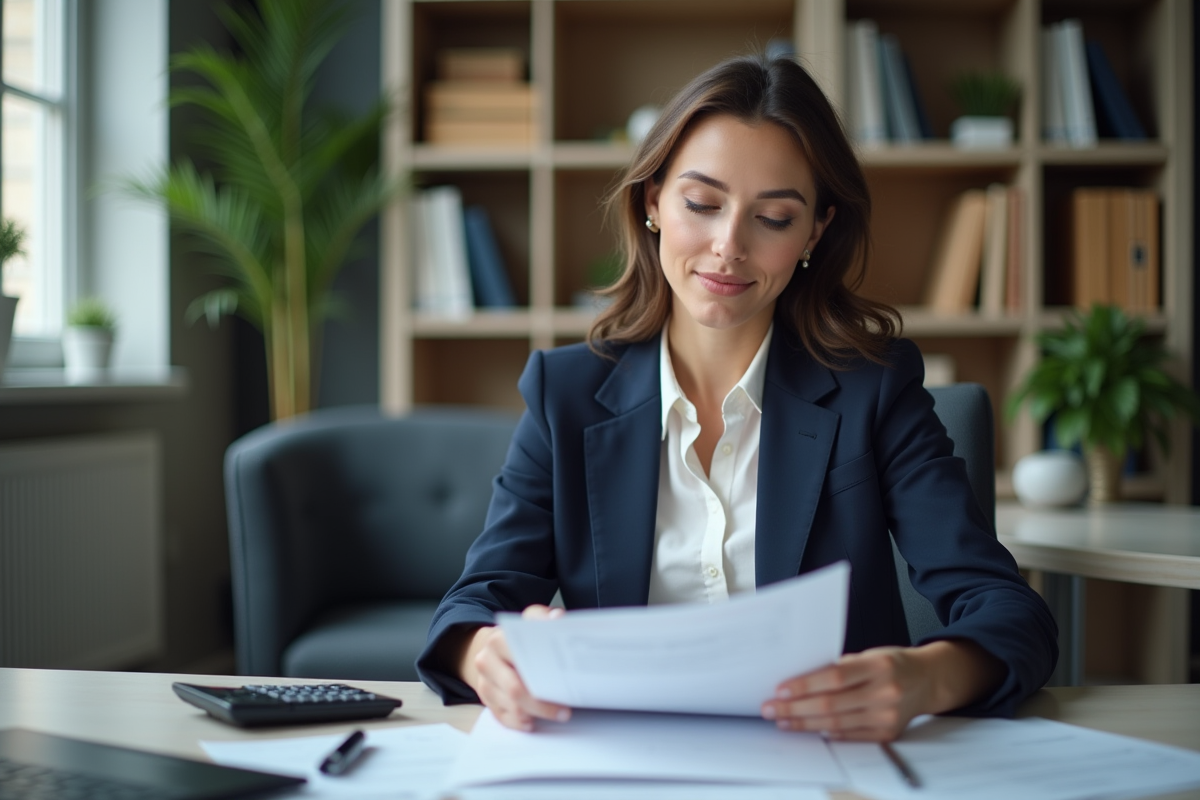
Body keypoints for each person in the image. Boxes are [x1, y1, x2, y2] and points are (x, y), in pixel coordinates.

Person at [416, 53, 1058, 742]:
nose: (729, 246)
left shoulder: (874, 389)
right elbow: (473, 606)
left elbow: (1007, 610)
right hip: (621, 760)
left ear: (815, 232)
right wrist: (487, 656)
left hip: (826, 761)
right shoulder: (565, 394)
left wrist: (924, 678)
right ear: (653, 201)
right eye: (702, 204)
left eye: (774, 218)